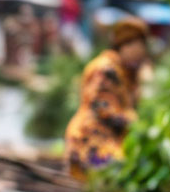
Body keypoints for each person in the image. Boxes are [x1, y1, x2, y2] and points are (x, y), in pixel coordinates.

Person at [64, 17, 152, 180]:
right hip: (91, 142)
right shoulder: (106, 69)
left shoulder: (126, 72)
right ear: (126, 45)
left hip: (110, 143)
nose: (141, 55)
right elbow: (103, 106)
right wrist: (135, 123)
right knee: (123, 172)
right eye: (138, 49)